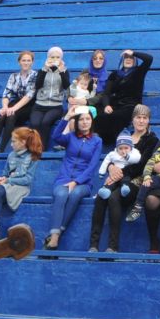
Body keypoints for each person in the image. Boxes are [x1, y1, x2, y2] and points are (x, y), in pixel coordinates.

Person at [44, 107, 102, 250]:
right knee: (61, 194)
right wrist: (66, 117)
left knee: (75, 193)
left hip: (83, 183)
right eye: (81, 119)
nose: (84, 122)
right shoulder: (70, 137)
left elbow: (92, 166)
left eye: (87, 119)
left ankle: (56, 234)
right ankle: (56, 235)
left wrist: (76, 182)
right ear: (77, 122)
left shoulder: (97, 141)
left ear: (92, 121)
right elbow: (55, 137)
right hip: (63, 179)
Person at [0, 127, 41, 241]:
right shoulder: (11, 155)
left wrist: (8, 181)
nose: (11, 144)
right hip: (9, 184)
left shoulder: (32, 156)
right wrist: (2, 178)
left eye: (13, 141)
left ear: (23, 142)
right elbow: (5, 173)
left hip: (22, 187)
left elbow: (28, 179)